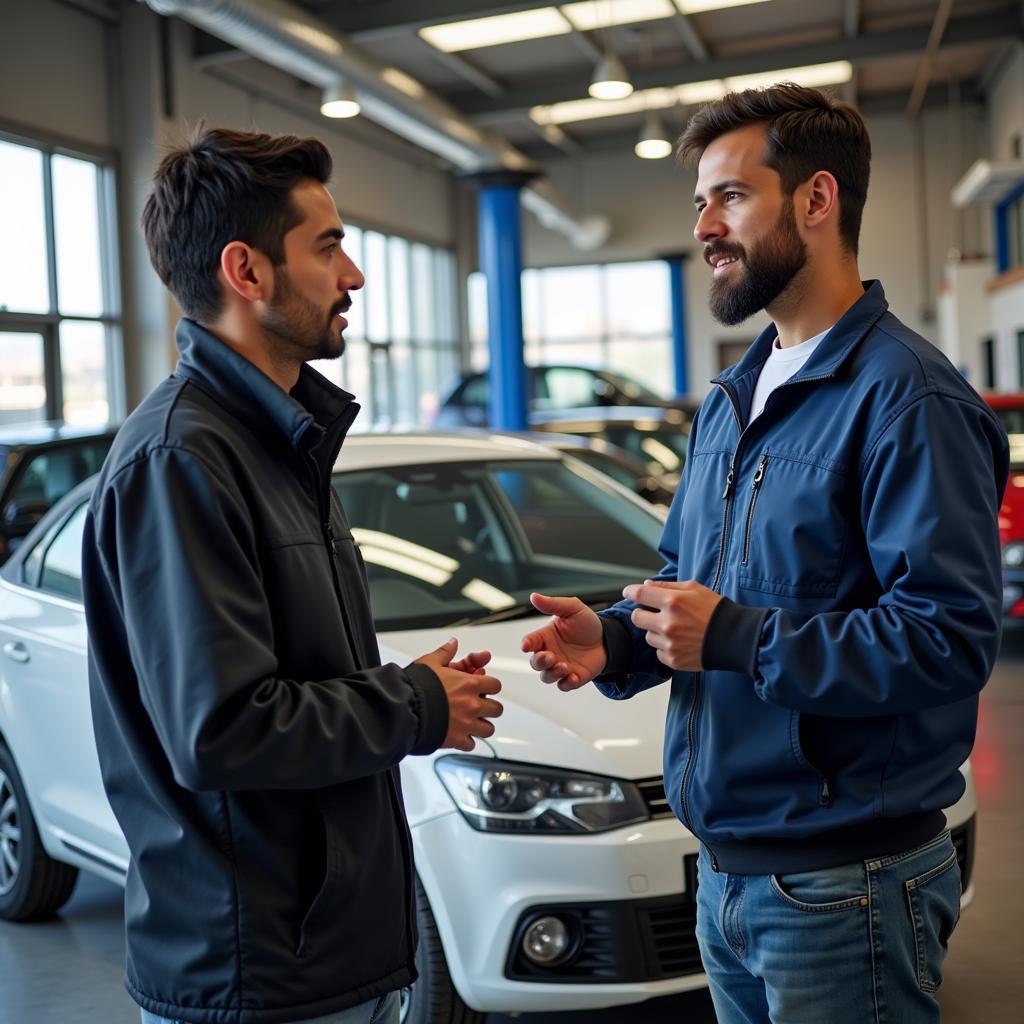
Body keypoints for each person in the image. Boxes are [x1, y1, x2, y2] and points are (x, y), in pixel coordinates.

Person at [521, 85, 1008, 1024]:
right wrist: (617, 642)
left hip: (846, 886)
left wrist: (738, 636)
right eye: (701, 201)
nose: (705, 225)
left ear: (817, 201)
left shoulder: (907, 401)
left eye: (730, 197)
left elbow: (946, 640)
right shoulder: (734, 398)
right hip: (729, 880)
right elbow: (694, 592)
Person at [82, 127, 503, 1024]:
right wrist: (417, 704)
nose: (353, 276)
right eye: (329, 247)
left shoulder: (276, 442)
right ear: (248, 271)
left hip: (323, 959)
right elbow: (223, 729)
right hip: (258, 976)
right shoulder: (183, 462)